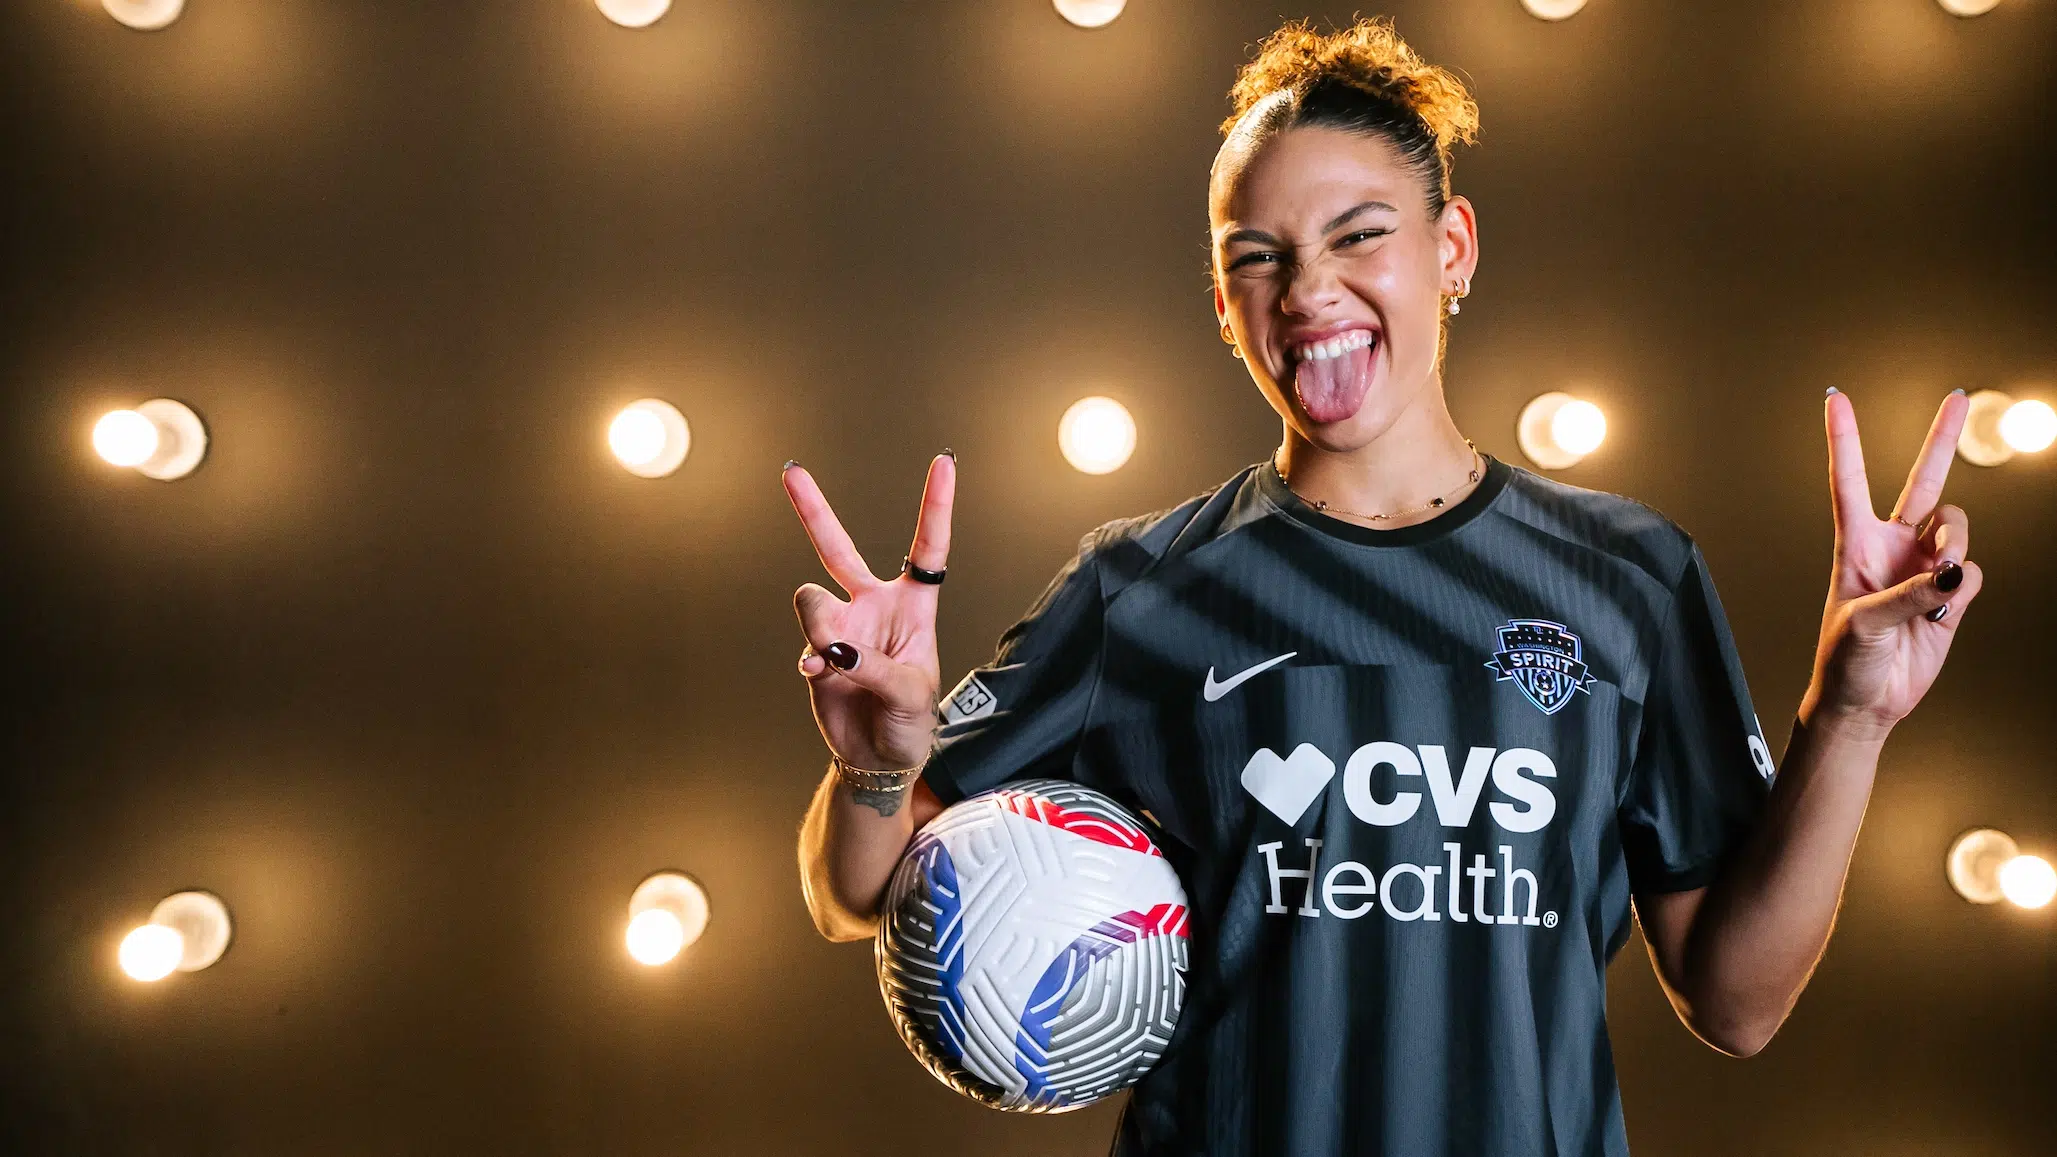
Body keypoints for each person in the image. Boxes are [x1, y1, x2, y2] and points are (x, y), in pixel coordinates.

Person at [781, 16, 1983, 1157]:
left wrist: (1851, 715)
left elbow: (1736, 1001)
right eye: (1257, 258)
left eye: (1359, 235)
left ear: (1449, 247)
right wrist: (876, 758)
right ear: (1221, 304)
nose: (1306, 290)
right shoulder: (1139, 585)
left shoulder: (1630, 578)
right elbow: (855, 892)